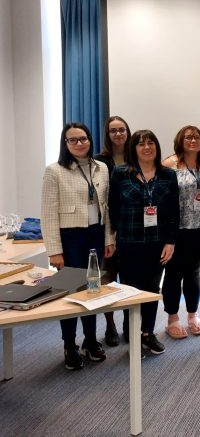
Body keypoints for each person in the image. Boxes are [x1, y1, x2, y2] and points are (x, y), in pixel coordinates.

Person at [41, 122, 114, 370]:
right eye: (73, 140)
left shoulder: (101, 168)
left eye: (83, 138)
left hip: (96, 234)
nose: (79, 143)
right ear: (65, 143)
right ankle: (69, 344)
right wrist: (54, 250)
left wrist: (109, 239)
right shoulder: (54, 171)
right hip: (70, 236)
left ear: (90, 140)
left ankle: (90, 340)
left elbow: (106, 208)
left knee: (92, 289)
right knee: (71, 293)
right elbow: (48, 213)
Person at [108, 130, 179, 356]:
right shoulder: (120, 173)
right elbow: (112, 208)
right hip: (129, 241)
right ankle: (132, 334)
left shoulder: (168, 174)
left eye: (151, 143)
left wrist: (171, 241)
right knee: (130, 290)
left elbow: (174, 211)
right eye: (141, 144)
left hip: (158, 243)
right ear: (134, 148)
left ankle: (147, 333)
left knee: (151, 290)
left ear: (156, 146)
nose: (147, 147)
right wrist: (112, 237)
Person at [161, 125, 200, 340]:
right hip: (175, 229)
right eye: (188, 137)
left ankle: (192, 315)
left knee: (194, 272)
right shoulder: (169, 165)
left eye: (196, 137)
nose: (192, 140)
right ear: (180, 141)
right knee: (173, 274)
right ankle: (172, 319)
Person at [94, 115, 131, 347]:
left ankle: (129, 324)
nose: (118, 134)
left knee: (129, 279)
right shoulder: (99, 161)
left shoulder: (136, 156)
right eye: (113, 130)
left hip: (132, 227)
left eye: (122, 129)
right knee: (108, 278)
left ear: (128, 132)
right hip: (107, 227)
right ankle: (110, 325)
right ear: (107, 134)